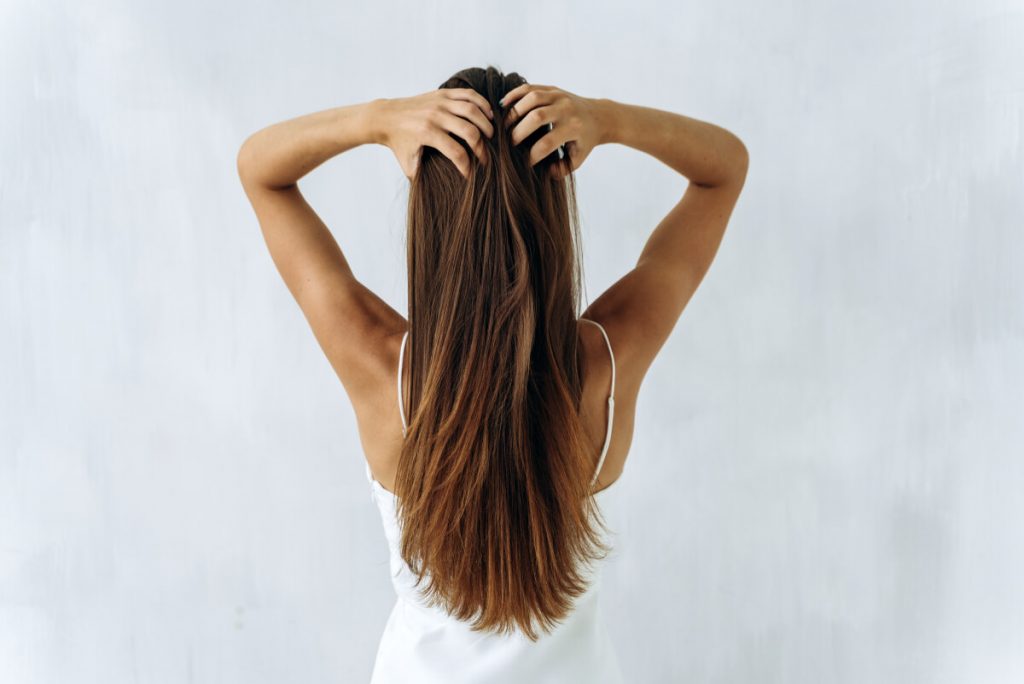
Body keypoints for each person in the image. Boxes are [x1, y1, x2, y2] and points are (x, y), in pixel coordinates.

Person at [237, 65, 748, 683]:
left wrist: (378, 120)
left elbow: (260, 171)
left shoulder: (380, 367)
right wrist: (607, 120)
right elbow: (724, 169)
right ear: (553, 215)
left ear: (428, 220)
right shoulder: (605, 366)